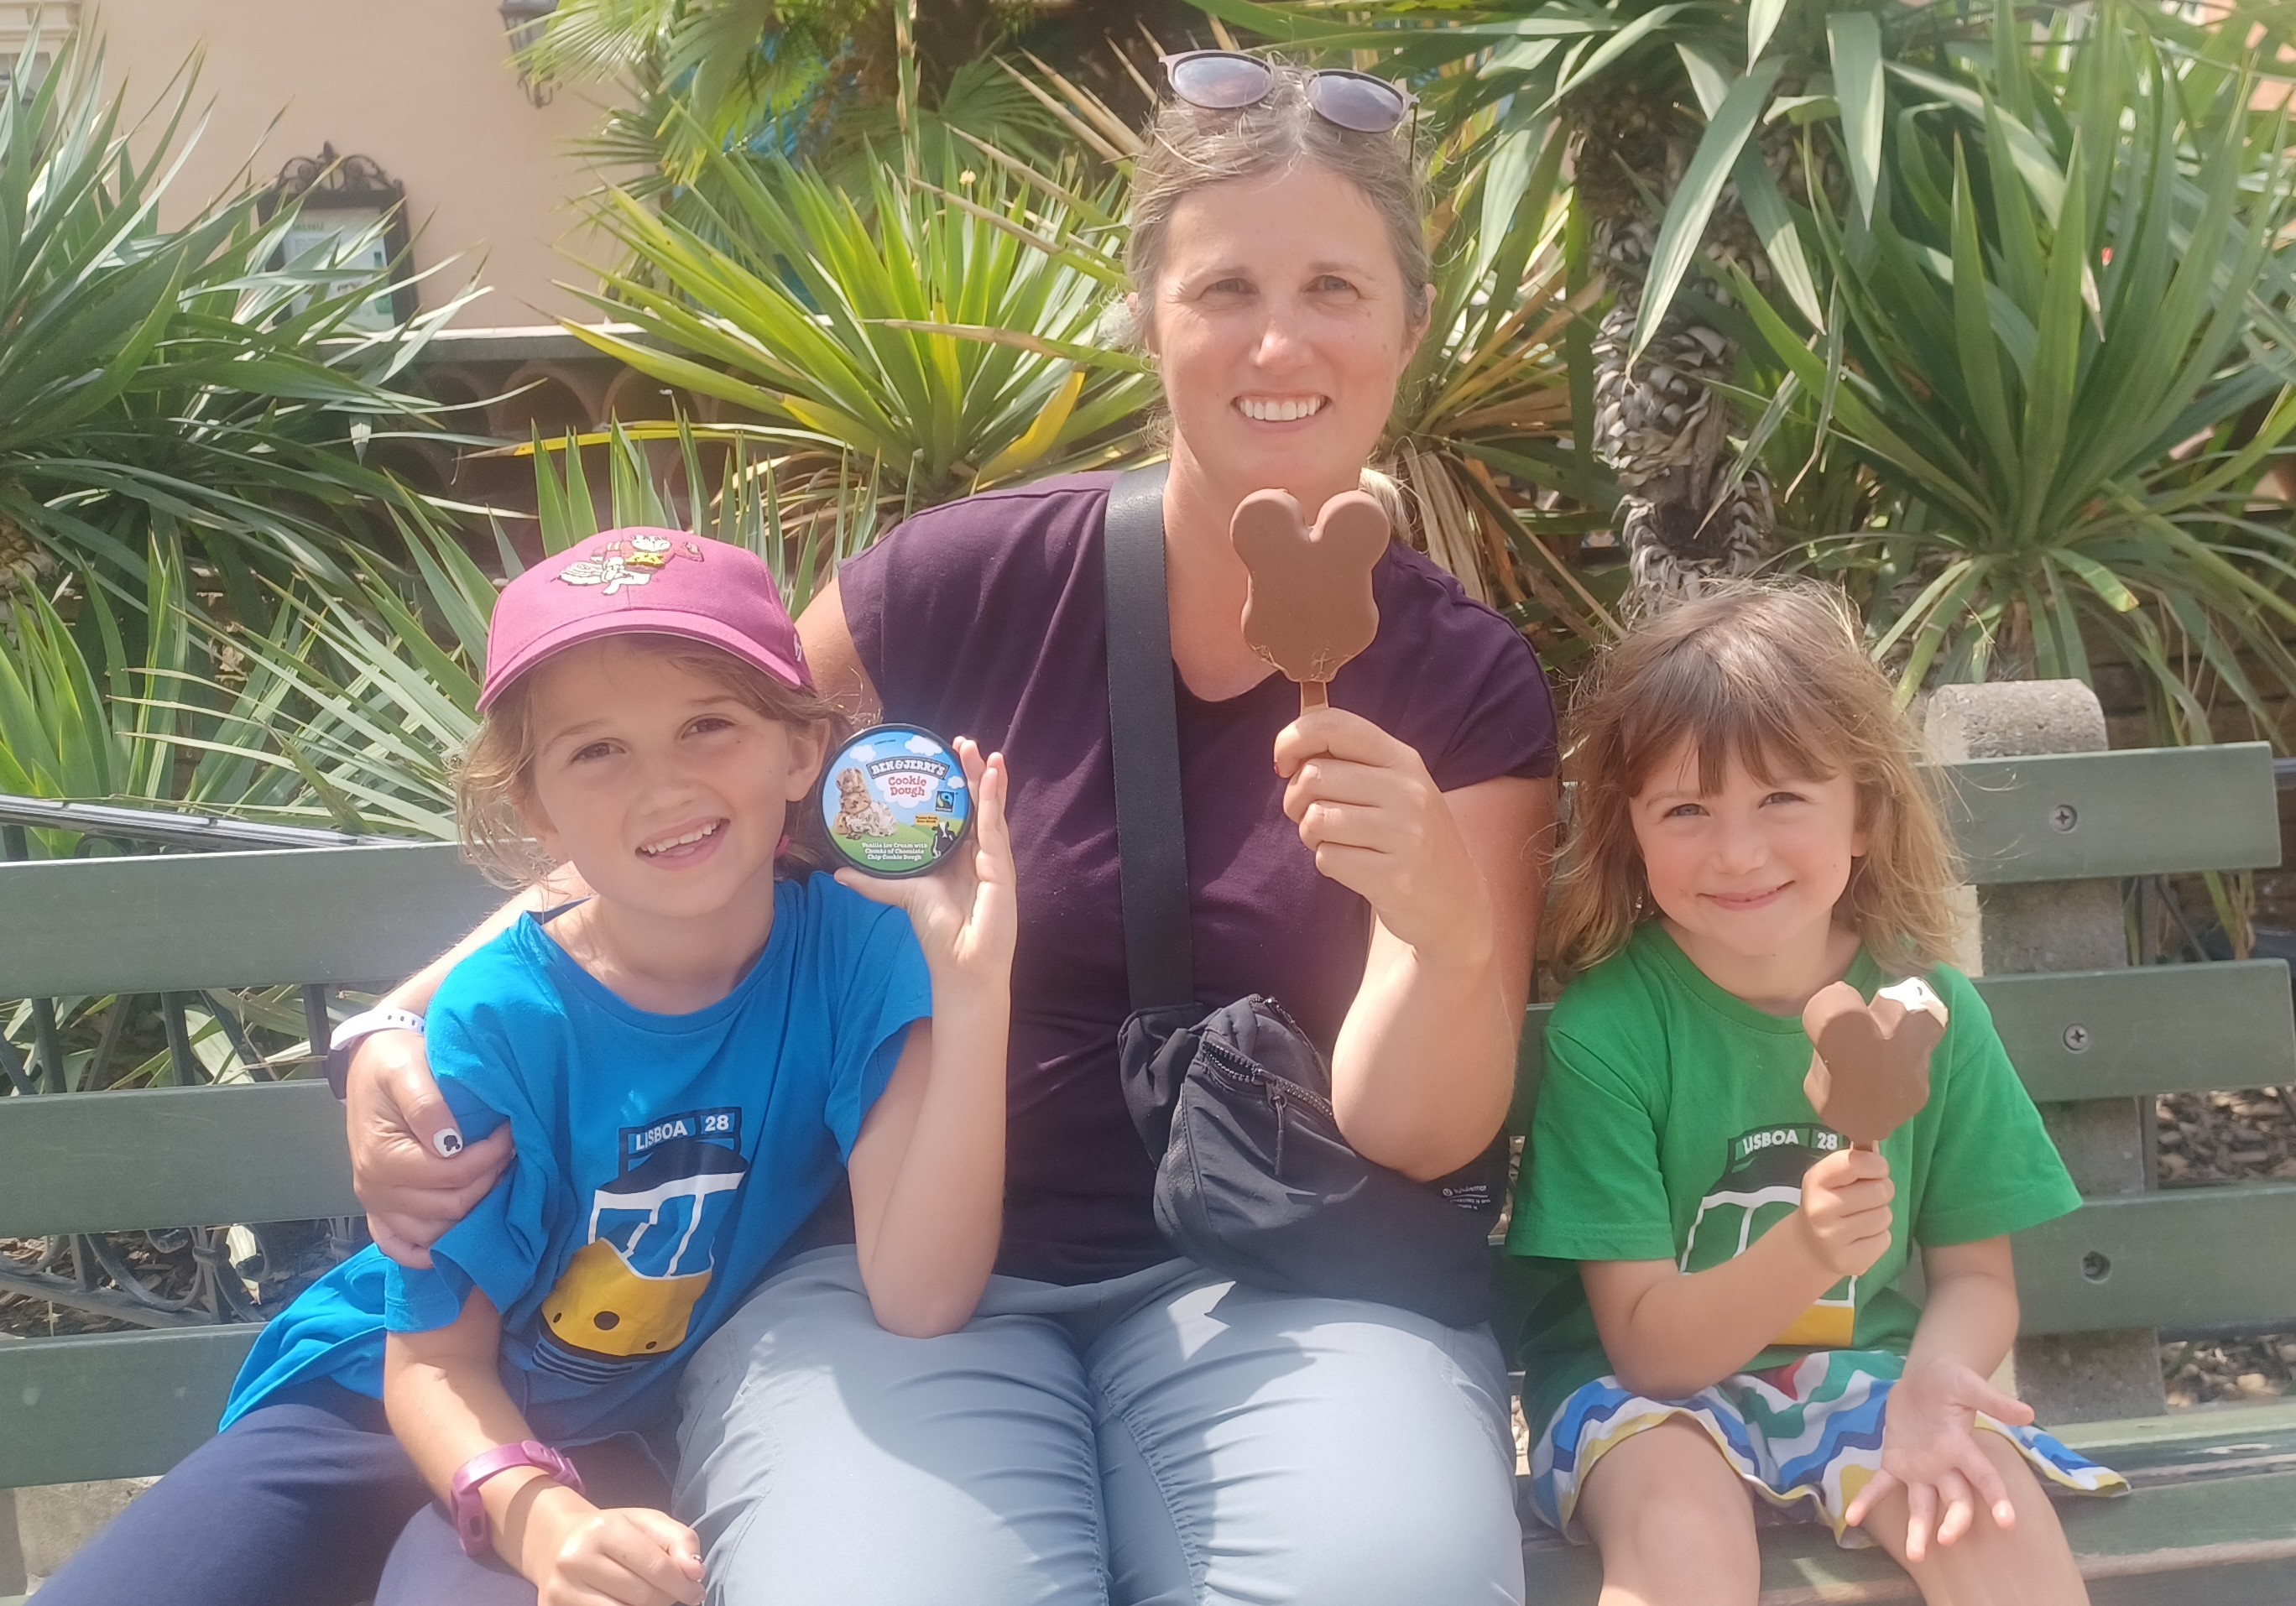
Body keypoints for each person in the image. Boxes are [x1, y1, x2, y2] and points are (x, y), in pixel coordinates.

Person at [341, 54, 1557, 1606]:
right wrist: (403, 1020)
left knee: (1386, 1580)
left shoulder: (1455, 676)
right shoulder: (956, 586)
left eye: (1334, 284)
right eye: (1225, 285)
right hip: (891, 1269)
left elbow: (1422, 1130)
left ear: (1405, 324)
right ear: (1149, 315)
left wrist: (1439, 919)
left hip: (1280, 1267)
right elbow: (675, 802)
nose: (1279, 338)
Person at [35, 530, 1016, 1606]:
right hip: (376, 1400)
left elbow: (921, 1296)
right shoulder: (500, 1016)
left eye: (709, 725)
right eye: (599, 751)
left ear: (800, 751)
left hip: (608, 1431)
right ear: (537, 806)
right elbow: (434, 1361)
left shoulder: (859, 954)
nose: (666, 784)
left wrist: (973, 994)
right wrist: (539, 1519)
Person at [1508, 582, 2123, 1606]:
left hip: (1858, 1381)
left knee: (1982, 1507)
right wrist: (1806, 1248)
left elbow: (1978, 1281)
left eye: (1782, 798)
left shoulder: (1931, 1016)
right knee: (1681, 1529)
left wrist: (1933, 1387)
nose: (1738, 851)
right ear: (1634, 831)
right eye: (1687, 809)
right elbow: (1653, 1353)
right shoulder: (1608, 1034)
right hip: (1640, 1405)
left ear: (1864, 816)